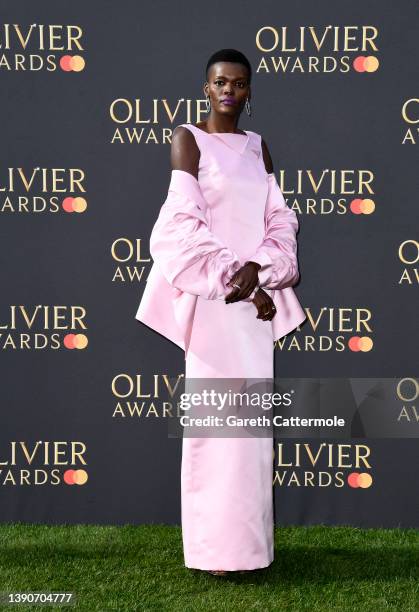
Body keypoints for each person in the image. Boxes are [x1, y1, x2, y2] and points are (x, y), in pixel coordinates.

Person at [135, 48, 306, 575]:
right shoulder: (188, 140)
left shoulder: (259, 148)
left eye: (238, 82)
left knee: (249, 433)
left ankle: (251, 551)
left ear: (249, 91)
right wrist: (238, 279)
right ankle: (213, 555)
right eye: (219, 82)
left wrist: (261, 271)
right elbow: (181, 226)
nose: (228, 90)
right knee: (216, 430)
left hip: (253, 310)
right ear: (205, 87)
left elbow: (281, 223)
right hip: (215, 305)